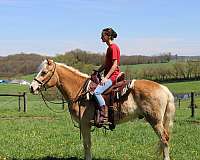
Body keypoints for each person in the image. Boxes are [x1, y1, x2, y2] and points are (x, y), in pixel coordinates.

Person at [93, 27, 121, 124]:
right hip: (110, 75)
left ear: (108, 36)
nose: (101, 37)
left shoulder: (113, 47)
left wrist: (106, 78)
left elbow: (115, 65)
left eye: (103, 35)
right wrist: (98, 71)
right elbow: (106, 64)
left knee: (96, 92)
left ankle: (104, 114)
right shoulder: (109, 48)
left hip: (113, 76)